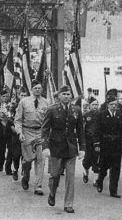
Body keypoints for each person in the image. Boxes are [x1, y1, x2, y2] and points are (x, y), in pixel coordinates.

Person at [41, 85, 85, 213]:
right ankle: (52, 192)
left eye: (68, 94)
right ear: (59, 96)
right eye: (64, 94)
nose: (66, 96)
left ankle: (68, 204)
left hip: (71, 148)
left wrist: (82, 148)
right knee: (55, 175)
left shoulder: (76, 110)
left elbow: (80, 130)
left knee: (70, 177)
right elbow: (44, 130)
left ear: (71, 96)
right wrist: (45, 147)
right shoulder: (51, 110)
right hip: (55, 147)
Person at [14, 80, 49, 196]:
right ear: (31, 89)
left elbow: (49, 121)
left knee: (41, 159)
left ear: (42, 89)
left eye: (39, 88)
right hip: (27, 131)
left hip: (40, 132)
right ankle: (25, 175)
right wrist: (20, 132)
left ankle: (38, 186)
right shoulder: (24, 102)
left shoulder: (46, 103)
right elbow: (18, 119)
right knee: (28, 159)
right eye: (35, 88)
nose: (37, 90)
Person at [94, 96, 122, 198]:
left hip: (117, 145)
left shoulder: (120, 116)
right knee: (104, 167)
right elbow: (97, 130)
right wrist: (97, 144)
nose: (114, 106)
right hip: (105, 144)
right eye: (112, 104)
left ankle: (113, 191)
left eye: (115, 104)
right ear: (107, 105)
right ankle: (100, 180)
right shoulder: (101, 115)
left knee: (116, 168)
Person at [82, 97, 100, 186]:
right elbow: (82, 129)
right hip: (88, 141)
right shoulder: (85, 115)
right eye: (93, 105)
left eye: (96, 104)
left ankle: (95, 180)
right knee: (88, 158)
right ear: (89, 106)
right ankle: (85, 171)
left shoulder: (101, 115)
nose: (95, 106)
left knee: (96, 158)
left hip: (98, 141)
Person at [11, 87, 27, 181]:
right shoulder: (14, 107)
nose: (23, 97)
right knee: (16, 154)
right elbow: (10, 119)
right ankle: (15, 169)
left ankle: (24, 171)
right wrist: (14, 128)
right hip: (16, 134)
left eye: (25, 95)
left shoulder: (30, 106)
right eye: (22, 95)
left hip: (27, 132)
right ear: (18, 96)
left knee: (25, 154)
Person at [0, 89, 13, 175]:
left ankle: (8, 168)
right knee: (1, 148)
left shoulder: (11, 105)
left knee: (11, 149)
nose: (5, 98)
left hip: (9, 128)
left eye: (7, 96)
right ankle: (0, 162)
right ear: (0, 97)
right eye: (3, 96)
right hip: (0, 129)